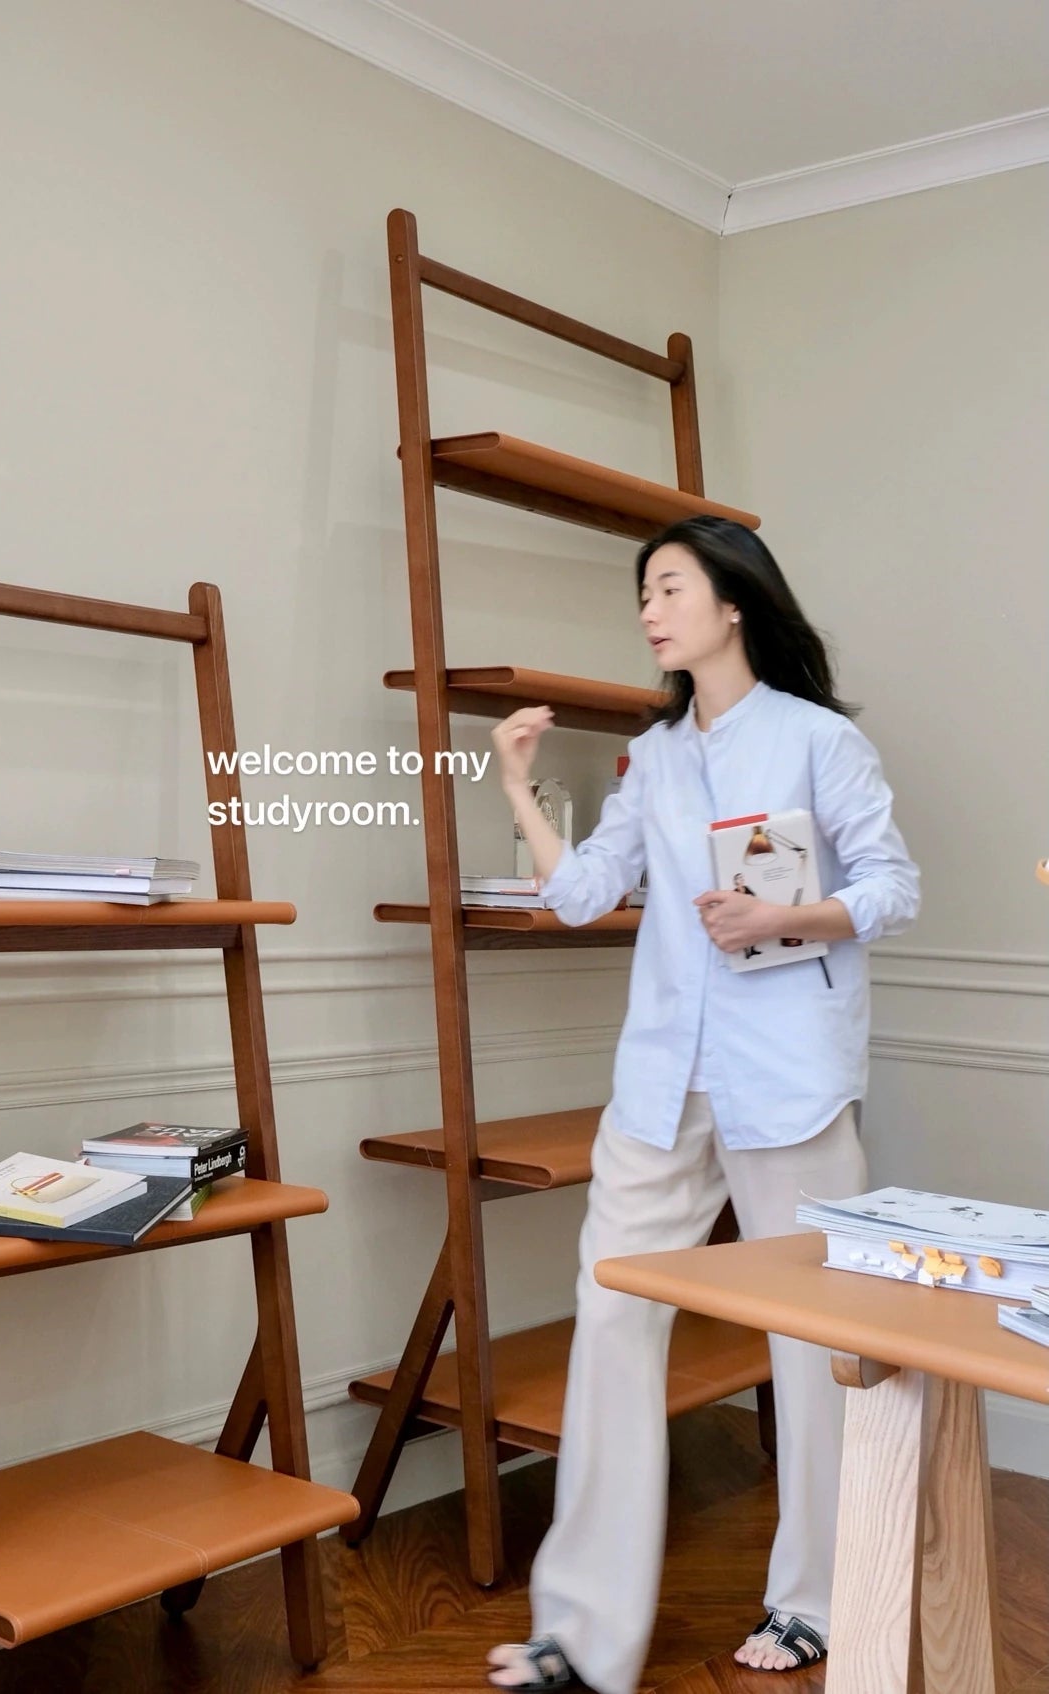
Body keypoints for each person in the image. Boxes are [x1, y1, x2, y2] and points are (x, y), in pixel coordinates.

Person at [484, 516, 920, 1692]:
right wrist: (519, 786)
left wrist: (789, 915)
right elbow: (583, 894)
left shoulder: (820, 740)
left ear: (734, 602)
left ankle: (818, 1602)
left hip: (789, 1077)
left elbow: (894, 886)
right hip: (661, 1079)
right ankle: (581, 1631)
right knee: (611, 1318)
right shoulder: (654, 758)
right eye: (641, 592)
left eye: (669, 586)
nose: (649, 609)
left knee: (815, 1340)